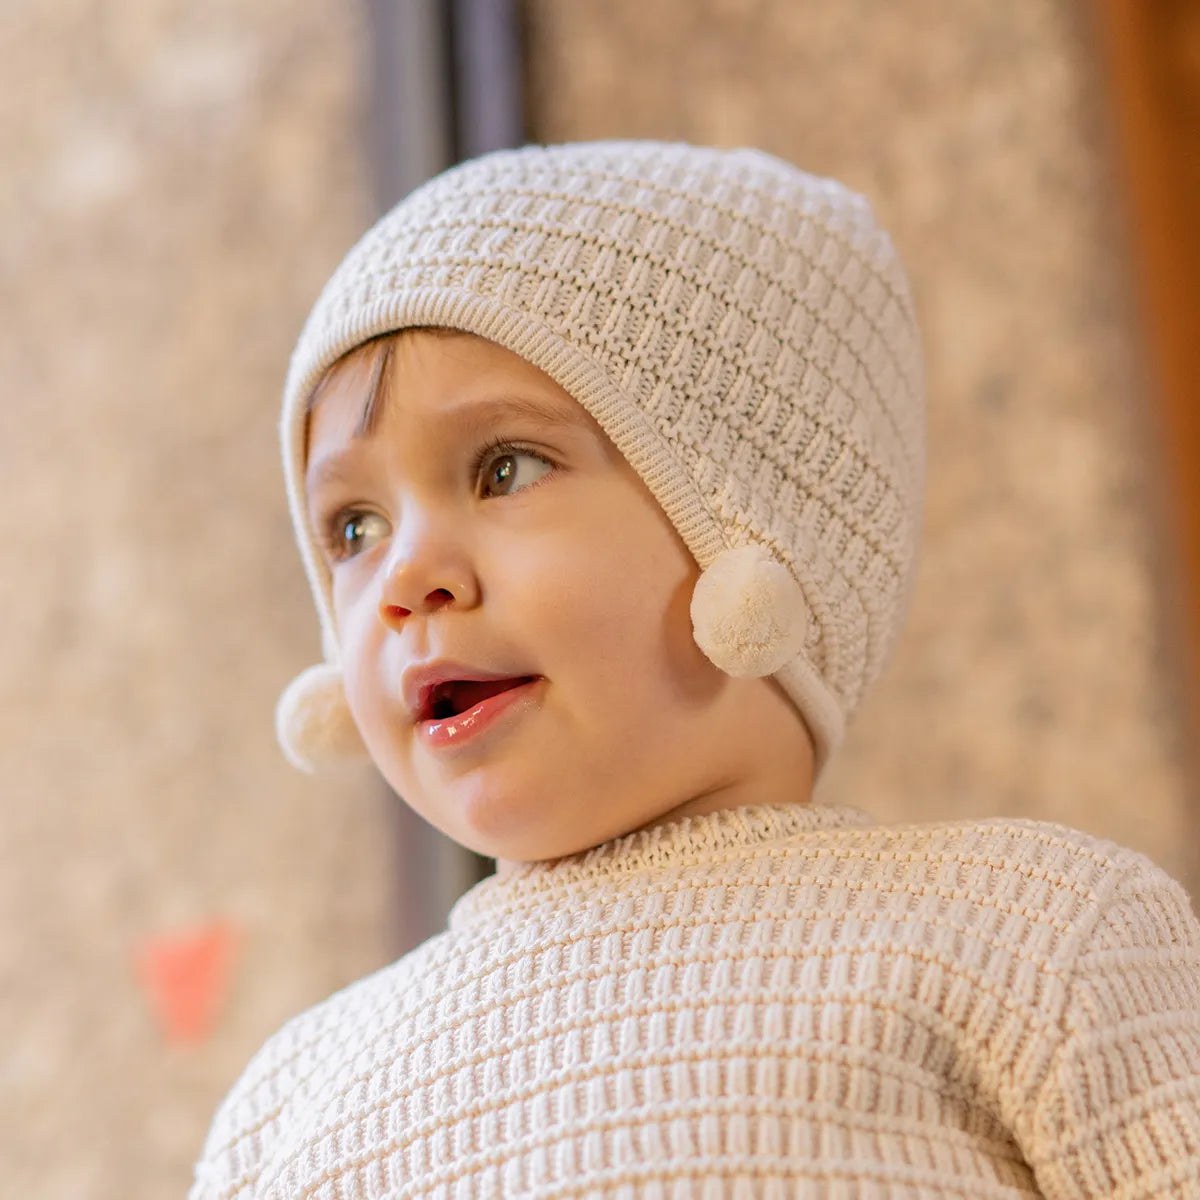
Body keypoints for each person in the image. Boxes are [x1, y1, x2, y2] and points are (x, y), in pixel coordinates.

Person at [189, 141, 1200, 1198]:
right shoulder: (285, 1109)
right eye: (353, 527)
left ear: (756, 520)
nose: (405, 579)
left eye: (504, 468)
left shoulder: (1035, 934)